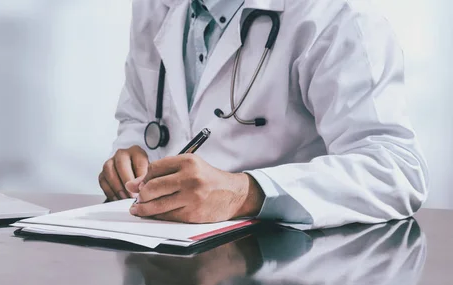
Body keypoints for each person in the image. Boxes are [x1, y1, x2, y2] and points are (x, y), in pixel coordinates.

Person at [99, 0, 429, 229]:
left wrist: (247, 192)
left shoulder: (336, 14)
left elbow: (395, 170)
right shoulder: (154, 7)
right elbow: (139, 117)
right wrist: (130, 154)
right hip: (167, 260)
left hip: (284, 272)